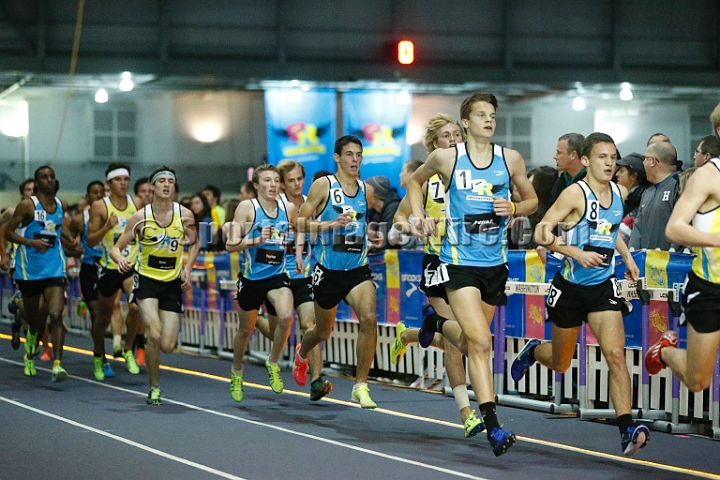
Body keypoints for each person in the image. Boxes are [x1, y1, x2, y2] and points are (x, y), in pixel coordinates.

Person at [407, 92, 538, 456]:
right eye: (481, 114)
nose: (489, 120)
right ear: (465, 122)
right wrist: (418, 215)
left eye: (492, 114)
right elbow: (415, 182)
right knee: (480, 342)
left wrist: (512, 205)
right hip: (458, 262)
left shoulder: (509, 159)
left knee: (470, 342)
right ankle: (493, 427)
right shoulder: (447, 157)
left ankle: (435, 322)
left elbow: (532, 201)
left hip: (494, 266)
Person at [511, 132, 650, 457]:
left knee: (615, 355)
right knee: (560, 362)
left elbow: (611, 229)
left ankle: (626, 428)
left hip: (601, 289)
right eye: (602, 157)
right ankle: (534, 352)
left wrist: (627, 258)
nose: (609, 163)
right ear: (586, 160)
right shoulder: (576, 194)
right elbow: (543, 230)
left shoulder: (620, 192)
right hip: (570, 289)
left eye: (613, 157)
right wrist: (574, 252)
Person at [392, 112, 485, 437]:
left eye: (456, 135)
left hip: (472, 264)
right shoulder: (426, 182)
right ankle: (466, 412)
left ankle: (408, 334)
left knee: (469, 337)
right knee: (453, 340)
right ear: (434, 145)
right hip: (438, 263)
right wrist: (415, 226)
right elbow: (398, 220)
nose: (454, 141)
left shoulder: (475, 177)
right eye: (446, 137)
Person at [292, 135, 382, 409]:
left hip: (356, 268)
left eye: (359, 155)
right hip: (328, 271)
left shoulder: (365, 190)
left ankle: (360, 385)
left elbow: (359, 226)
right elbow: (299, 223)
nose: (355, 160)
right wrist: (328, 224)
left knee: (368, 318)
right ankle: (302, 352)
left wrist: (371, 236)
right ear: (337, 157)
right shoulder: (324, 185)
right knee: (321, 332)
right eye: (350, 155)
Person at [111, 166, 199, 405]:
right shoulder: (140, 217)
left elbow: (195, 243)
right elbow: (115, 247)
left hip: (171, 282)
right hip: (146, 280)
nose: (166, 184)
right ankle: (154, 387)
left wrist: (188, 268)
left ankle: (151, 366)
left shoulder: (186, 216)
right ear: (153, 187)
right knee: (155, 333)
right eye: (161, 181)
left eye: (171, 181)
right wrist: (120, 259)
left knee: (168, 345)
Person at [256, 160, 333, 401]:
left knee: (311, 325)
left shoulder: (315, 203)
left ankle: (316, 380)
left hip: (306, 275)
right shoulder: (274, 207)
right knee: (279, 329)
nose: (297, 184)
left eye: (300, 178)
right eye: (290, 180)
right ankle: (253, 320)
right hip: (277, 277)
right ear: (282, 183)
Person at [646, 155, 720, 394]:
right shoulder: (708, 175)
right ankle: (665, 352)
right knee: (698, 381)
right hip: (710, 287)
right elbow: (674, 228)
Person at [226, 164, 295, 402]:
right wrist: (256, 239)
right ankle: (237, 372)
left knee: (286, 317)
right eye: (267, 180)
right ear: (256, 186)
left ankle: (273, 362)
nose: (273, 185)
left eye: (277, 180)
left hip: (277, 275)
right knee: (245, 330)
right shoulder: (247, 208)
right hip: (251, 278)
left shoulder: (289, 207)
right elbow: (230, 245)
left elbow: (298, 232)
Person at [4, 166, 78, 380]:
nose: (49, 180)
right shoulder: (27, 206)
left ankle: (57, 365)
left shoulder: (60, 205)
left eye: (52, 177)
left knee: (55, 315)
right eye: (44, 177)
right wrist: (30, 242)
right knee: (34, 317)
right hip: (30, 270)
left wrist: (69, 238)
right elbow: (8, 232)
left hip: (54, 266)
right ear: (37, 183)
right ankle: (29, 351)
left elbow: (55, 225)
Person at [87, 162, 143, 380]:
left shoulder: (136, 203)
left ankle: (128, 349)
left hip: (130, 266)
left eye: (126, 179)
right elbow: (91, 241)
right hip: (109, 267)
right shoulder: (100, 207)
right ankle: (99, 356)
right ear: (109, 183)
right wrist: (107, 227)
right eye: (118, 179)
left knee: (136, 306)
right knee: (103, 317)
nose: (123, 183)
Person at [68, 180, 114, 380]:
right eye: (94, 192)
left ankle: (105, 351)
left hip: (107, 266)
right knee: (96, 313)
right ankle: (101, 358)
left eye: (102, 192)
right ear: (88, 196)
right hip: (89, 268)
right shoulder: (80, 219)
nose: (99, 195)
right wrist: (74, 246)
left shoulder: (114, 215)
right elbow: (71, 242)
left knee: (105, 315)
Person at [629, 142, 680, 251]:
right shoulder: (647, 192)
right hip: (645, 263)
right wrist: (632, 255)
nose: (643, 163)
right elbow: (637, 228)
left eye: (645, 158)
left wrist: (673, 256)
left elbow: (682, 225)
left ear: (653, 161)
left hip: (671, 264)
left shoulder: (679, 185)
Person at [366, 175, 402, 253]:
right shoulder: (378, 213)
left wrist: (367, 248)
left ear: (374, 195)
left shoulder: (393, 208)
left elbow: (385, 244)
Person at [549, 133, 586, 205]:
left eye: (559, 153)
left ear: (573, 155)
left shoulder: (593, 181)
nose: (554, 156)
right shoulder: (560, 181)